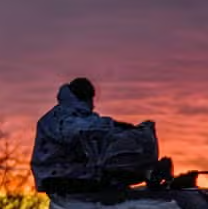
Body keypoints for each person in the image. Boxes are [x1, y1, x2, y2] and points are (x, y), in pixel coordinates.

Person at [31, 78, 164, 194]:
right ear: (85, 97)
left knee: (111, 164)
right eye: (90, 98)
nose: (93, 104)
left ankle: (140, 176)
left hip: (73, 171)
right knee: (111, 168)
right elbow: (76, 131)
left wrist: (121, 128)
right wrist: (114, 128)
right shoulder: (61, 117)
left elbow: (94, 125)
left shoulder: (80, 116)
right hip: (57, 175)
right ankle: (140, 179)